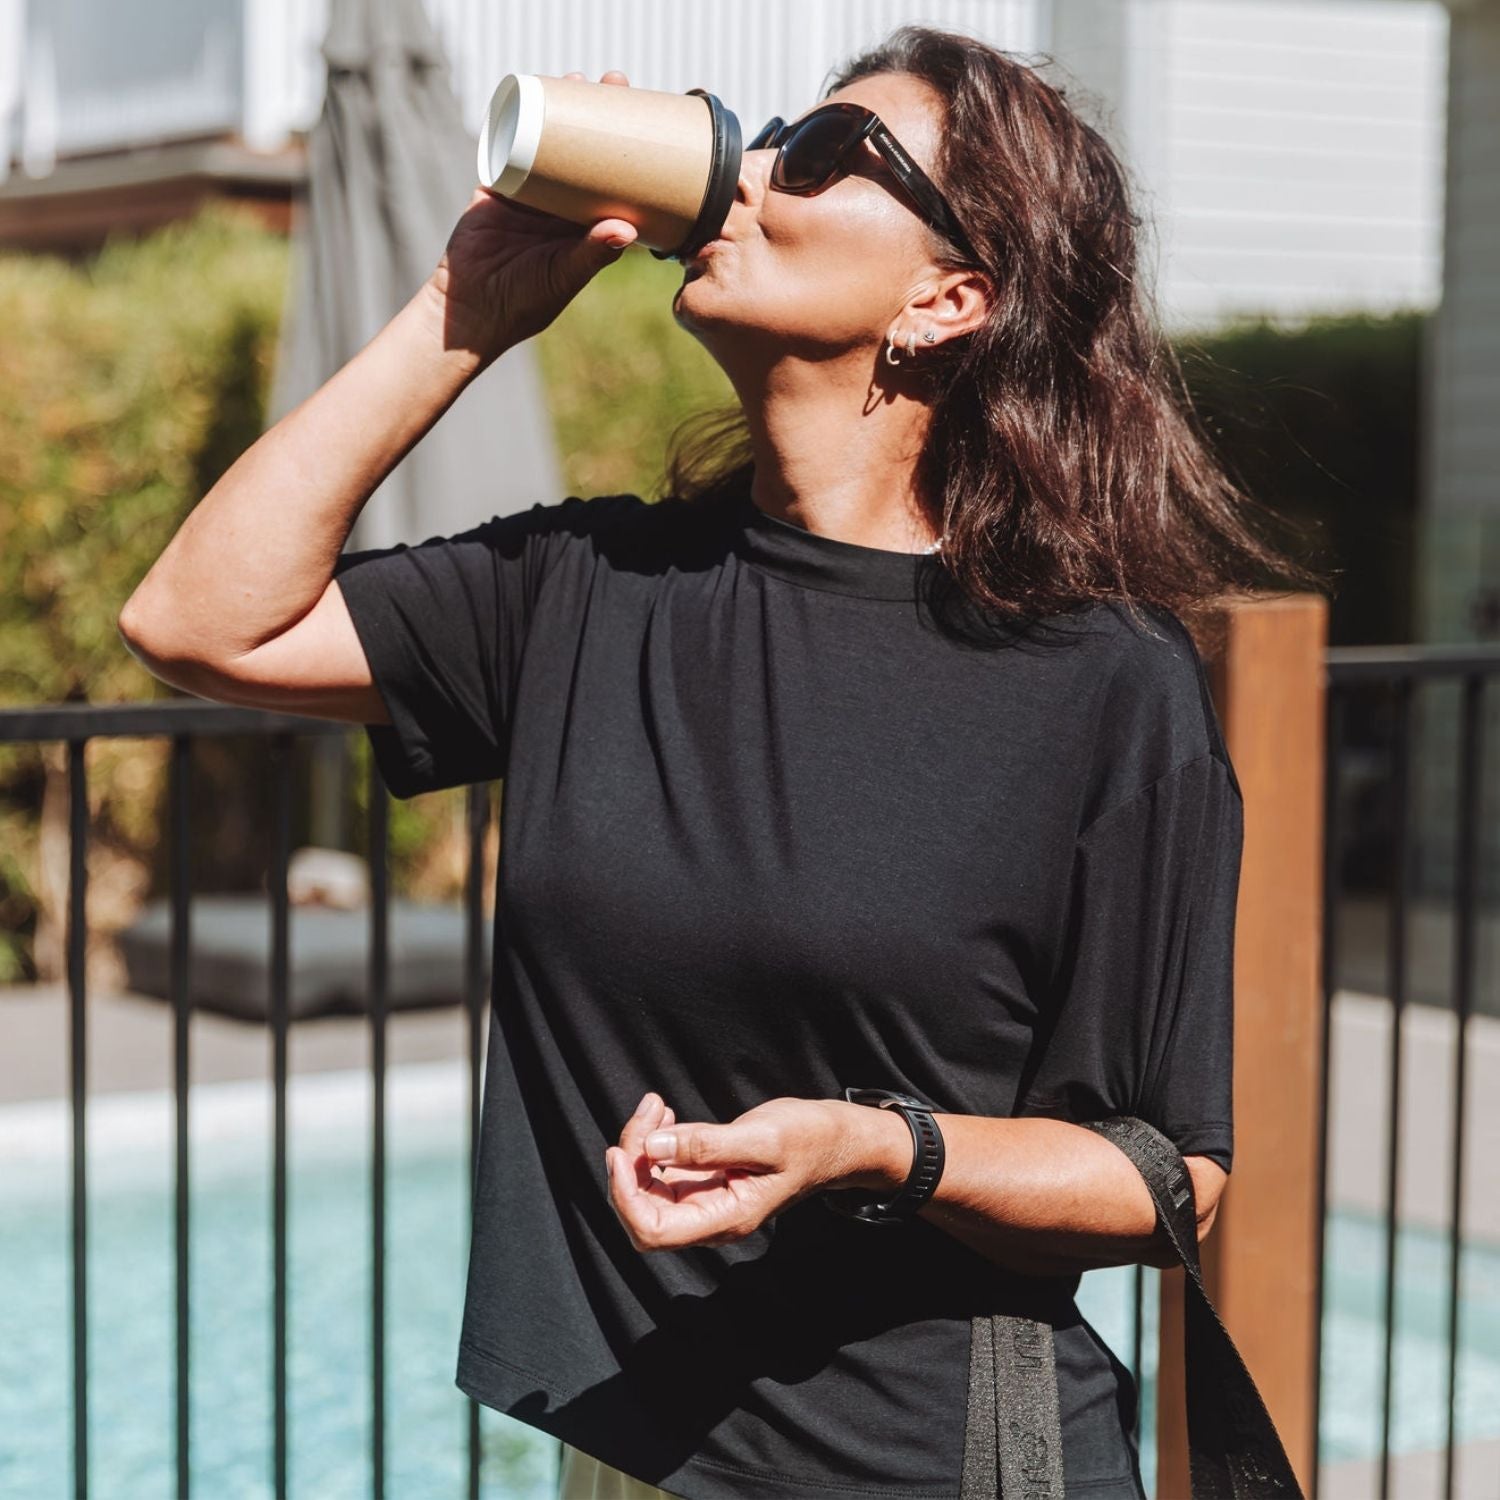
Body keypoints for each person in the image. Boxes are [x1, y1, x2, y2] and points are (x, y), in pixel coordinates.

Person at [119, 24, 1327, 1500]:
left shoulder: (1099, 681)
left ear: (952, 298)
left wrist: (880, 1148)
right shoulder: (588, 588)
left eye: (825, 156)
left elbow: (1169, 1175)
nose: (750, 174)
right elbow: (196, 622)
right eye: (767, 135)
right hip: (631, 1461)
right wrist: (462, 307)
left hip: (935, 1470)